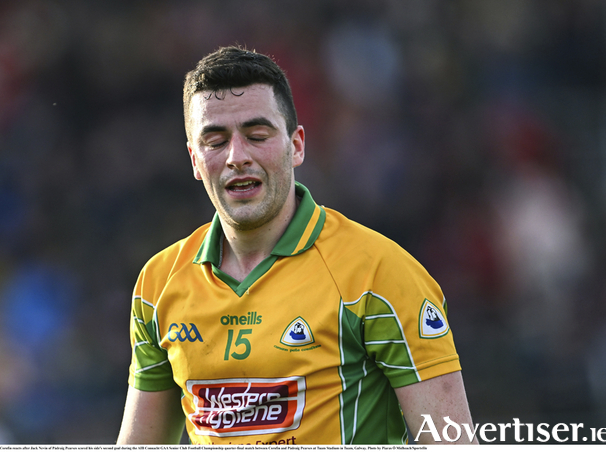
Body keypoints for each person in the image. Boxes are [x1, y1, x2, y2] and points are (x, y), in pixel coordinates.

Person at [117, 45, 476, 445]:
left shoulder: (380, 273)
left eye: (257, 135)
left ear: (297, 146)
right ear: (195, 161)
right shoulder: (157, 284)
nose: (237, 156)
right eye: (215, 141)